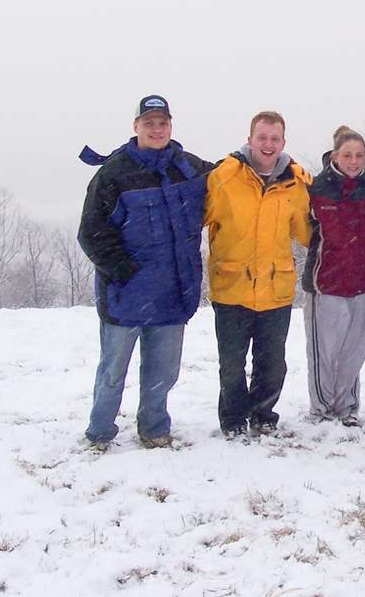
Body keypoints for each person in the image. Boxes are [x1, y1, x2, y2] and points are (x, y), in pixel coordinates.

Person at [78, 95, 212, 451]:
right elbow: (91, 232)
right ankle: (100, 431)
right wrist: (123, 272)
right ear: (136, 126)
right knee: (113, 371)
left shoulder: (188, 167)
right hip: (126, 295)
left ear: (171, 125)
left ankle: (154, 428)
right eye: (149, 123)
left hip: (173, 291)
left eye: (162, 122)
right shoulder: (114, 173)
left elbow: (233, 178)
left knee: (163, 373)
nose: (156, 129)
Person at [203, 111, 312, 440]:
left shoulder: (296, 182)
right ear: (250, 139)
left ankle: (263, 414)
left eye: (274, 138)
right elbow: (194, 218)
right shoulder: (224, 177)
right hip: (232, 287)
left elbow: (307, 232)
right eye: (262, 138)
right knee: (232, 364)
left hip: (275, 288)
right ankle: (234, 418)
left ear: (283, 143)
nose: (268, 144)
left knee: (272, 363)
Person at [302, 126, 365, 426]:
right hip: (325, 284)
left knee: (352, 353)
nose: (353, 161)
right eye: (347, 155)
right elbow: (302, 230)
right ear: (335, 155)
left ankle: (347, 407)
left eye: (359, 155)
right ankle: (321, 409)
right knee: (324, 353)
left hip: (361, 282)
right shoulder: (317, 188)